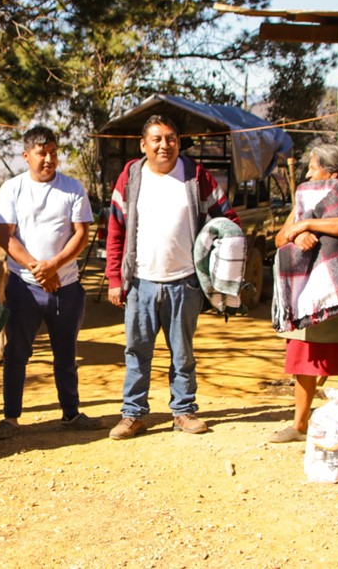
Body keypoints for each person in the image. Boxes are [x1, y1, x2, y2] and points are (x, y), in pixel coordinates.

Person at [105, 114, 238, 439]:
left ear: (178, 143)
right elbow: (115, 229)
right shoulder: (131, 177)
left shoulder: (196, 176)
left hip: (185, 282)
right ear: (143, 145)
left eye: (170, 139)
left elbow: (228, 221)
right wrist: (114, 279)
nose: (164, 145)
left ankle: (183, 411)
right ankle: (133, 414)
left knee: (182, 352)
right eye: (157, 139)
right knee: (137, 352)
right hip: (140, 283)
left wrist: (217, 267)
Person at [0, 126, 100, 440]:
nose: (48, 159)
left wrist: (54, 266)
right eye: (41, 153)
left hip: (67, 287)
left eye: (53, 152)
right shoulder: (12, 189)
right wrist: (37, 269)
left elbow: (81, 234)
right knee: (16, 354)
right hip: (24, 288)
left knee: (65, 353)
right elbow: (5, 236)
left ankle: (71, 413)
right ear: (26, 156)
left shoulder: (72, 188)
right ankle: (11, 418)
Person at [268, 145, 338, 444]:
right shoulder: (304, 200)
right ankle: (299, 426)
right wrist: (298, 233)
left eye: (314, 168)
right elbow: (280, 238)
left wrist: (307, 223)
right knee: (304, 362)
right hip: (306, 295)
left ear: (333, 174)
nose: (308, 174)